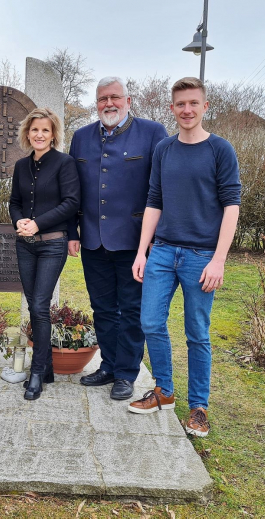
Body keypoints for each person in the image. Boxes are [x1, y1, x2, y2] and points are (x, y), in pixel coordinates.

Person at [129, 77, 240, 438]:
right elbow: (153, 201)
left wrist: (219, 260)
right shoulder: (164, 149)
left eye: (193, 103)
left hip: (201, 256)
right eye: (180, 104)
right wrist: (142, 251)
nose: (187, 110)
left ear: (205, 107)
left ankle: (198, 408)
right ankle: (164, 390)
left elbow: (231, 206)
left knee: (197, 334)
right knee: (150, 322)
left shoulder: (220, 150)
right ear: (172, 108)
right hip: (162, 251)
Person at [68, 76, 168, 400]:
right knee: (102, 309)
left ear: (128, 100)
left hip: (135, 242)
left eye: (114, 97)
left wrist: (155, 239)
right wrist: (72, 232)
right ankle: (108, 366)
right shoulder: (81, 138)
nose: (108, 103)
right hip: (93, 241)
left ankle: (126, 373)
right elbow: (71, 192)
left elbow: (161, 190)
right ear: (96, 103)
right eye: (102, 99)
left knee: (132, 309)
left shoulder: (153, 133)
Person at [10, 108, 80, 400]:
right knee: (33, 304)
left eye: (45, 131)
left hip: (52, 243)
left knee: (39, 305)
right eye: (34, 130)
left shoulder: (65, 164)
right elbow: (14, 201)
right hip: (24, 245)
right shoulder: (20, 166)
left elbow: (71, 203)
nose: (39, 135)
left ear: (54, 135)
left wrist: (37, 223)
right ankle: (47, 367)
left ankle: (36, 371)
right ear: (28, 133)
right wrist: (19, 221)